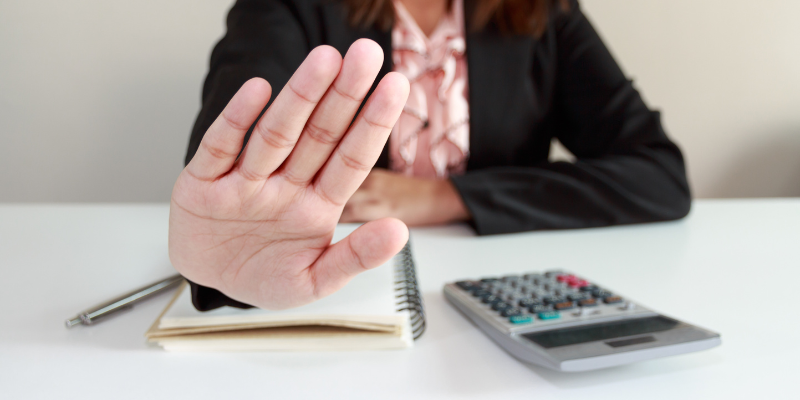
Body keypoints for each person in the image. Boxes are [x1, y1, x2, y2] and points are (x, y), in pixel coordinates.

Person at [169, 0, 691, 311]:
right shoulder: (287, 7)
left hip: (490, 296)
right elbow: (231, 186)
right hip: (337, 301)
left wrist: (449, 197)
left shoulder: (542, 13)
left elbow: (658, 175)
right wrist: (224, 270)